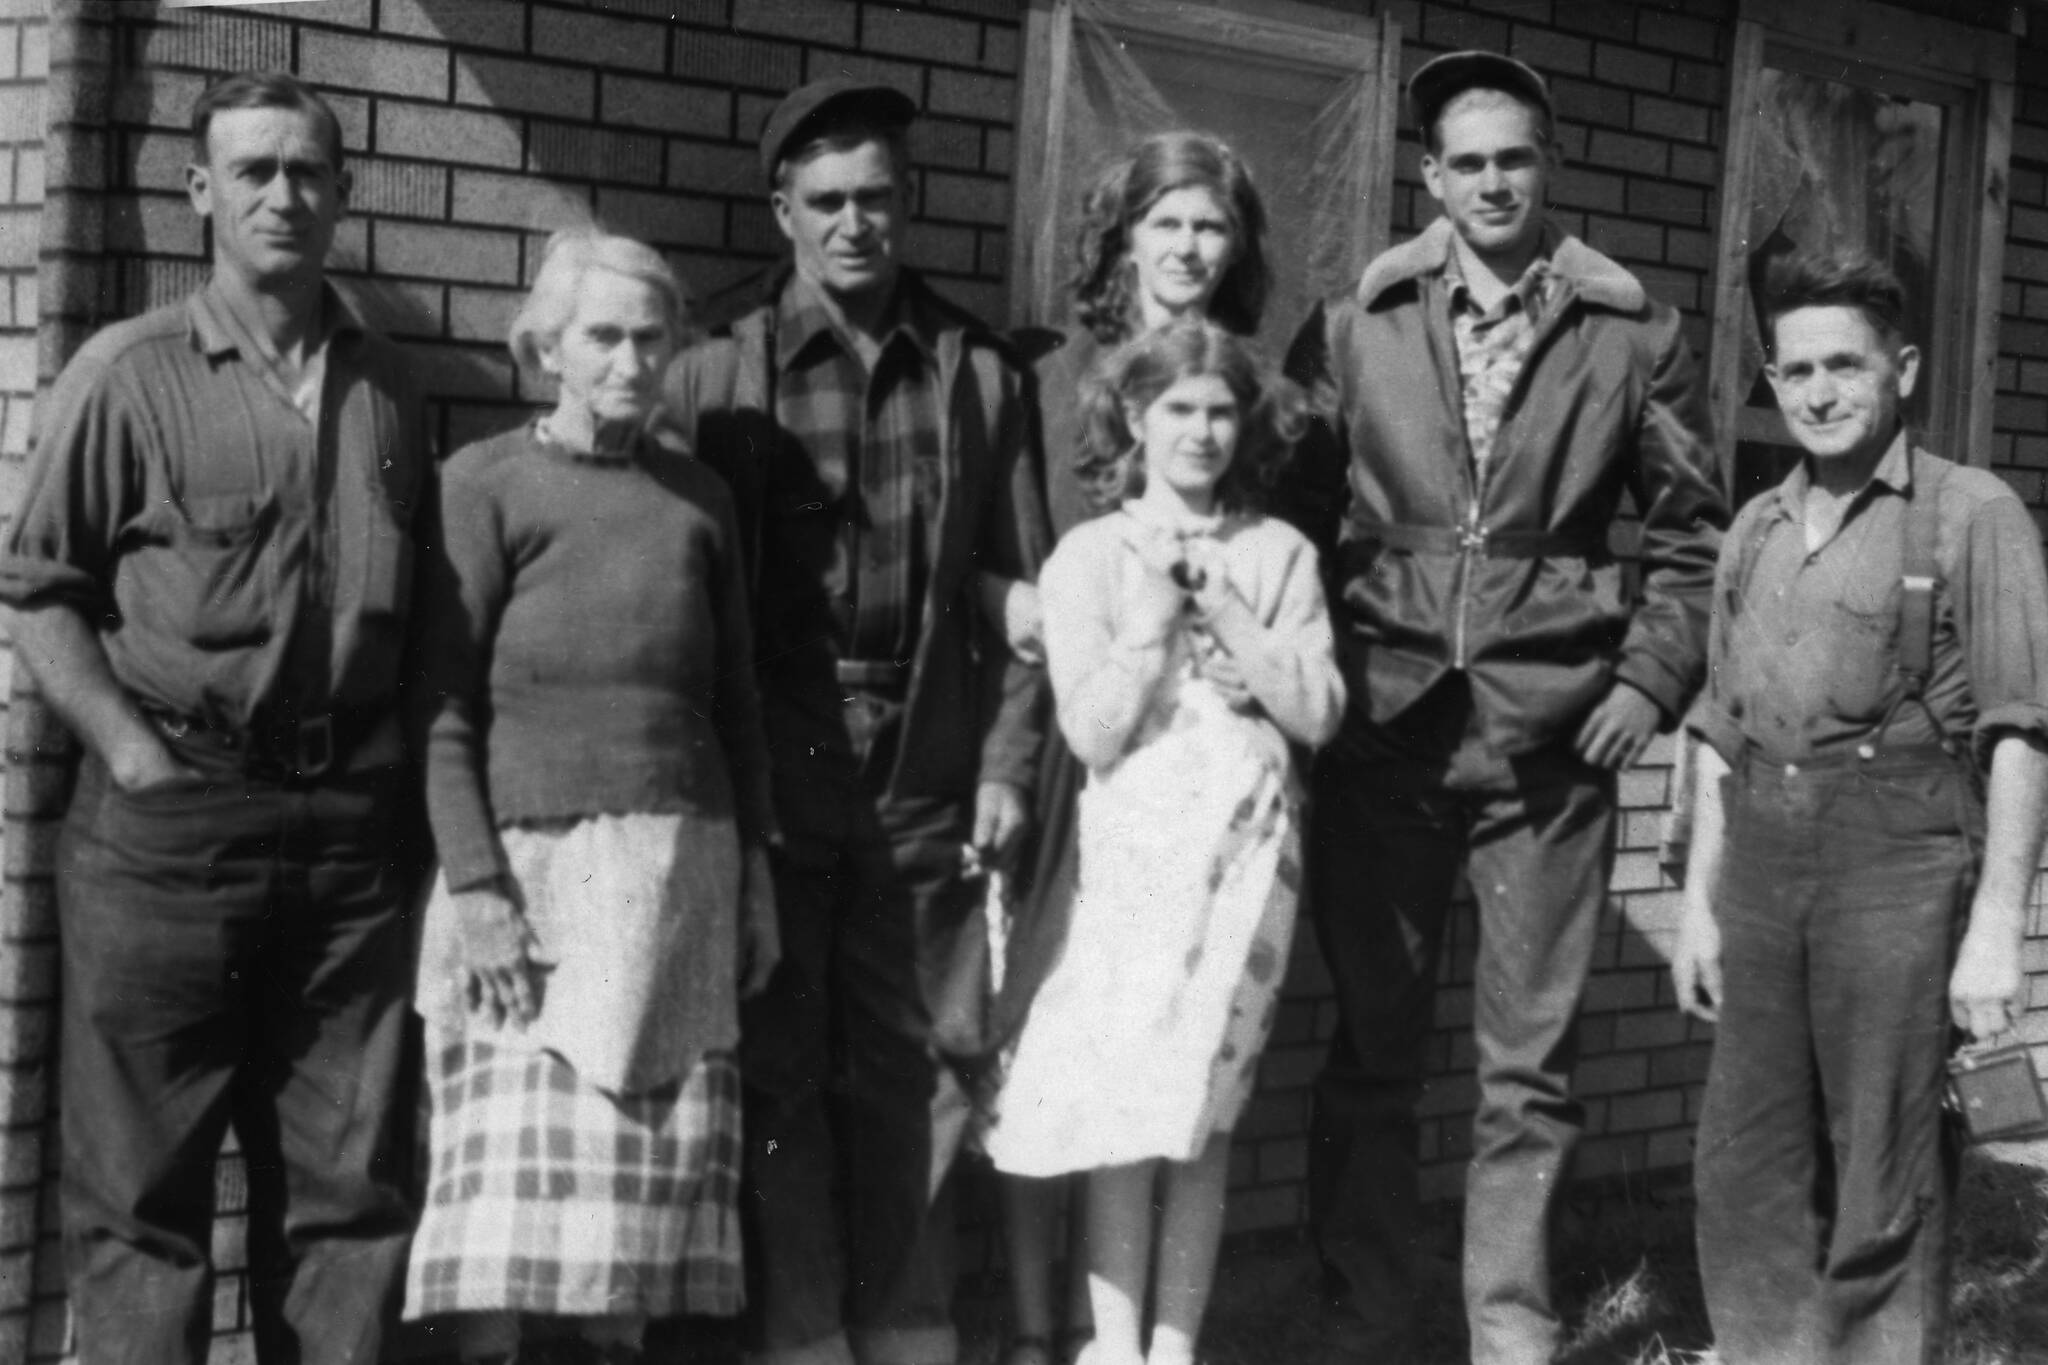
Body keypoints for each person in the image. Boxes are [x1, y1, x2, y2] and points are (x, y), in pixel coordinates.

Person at [1279, 50, 1728, 1365]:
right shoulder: (1358, 320)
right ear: (1430, 177)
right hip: (1386, 725)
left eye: (1514, 158)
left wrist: (1648, 680)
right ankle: (1366, 1308)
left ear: (1549, 167)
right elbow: (1295, 521)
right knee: (1372, 1042)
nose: (1492, 182)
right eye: (1467, 161)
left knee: (1525, 1071)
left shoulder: (1630, 329)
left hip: (1549, 740)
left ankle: (1509, 1328)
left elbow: (1696, 532)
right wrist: (1321, 691)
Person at [0, 72, 427, 1365]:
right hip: (170, 828)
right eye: (253, 172)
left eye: (307, 171)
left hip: (351, 842)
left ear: (344, 195)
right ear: (202, 194)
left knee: (349, 1199)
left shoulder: (390, 392)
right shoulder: (125, 375)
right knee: (143, 1198)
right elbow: (38, 591)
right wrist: (132, 753)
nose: (282, 196)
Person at [663, 78, 1050, 1365]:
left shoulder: (979, 372)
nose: (853, 224)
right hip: (777, 758)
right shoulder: (716, 371)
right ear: (782, 212)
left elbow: (1024, 594)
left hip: (923, 765)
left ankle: (909, 1328)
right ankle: (800, 1335)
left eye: (875, 198)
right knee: (776, 1067)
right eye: (825, 202)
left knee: (924, 1067)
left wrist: (1003, 762)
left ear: (910, 204)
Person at [401, 229, 779, 1365]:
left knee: (629, 1239)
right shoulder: (484, 485)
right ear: (546, 349)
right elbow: (441, 709)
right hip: (529, 882)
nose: (629, 361)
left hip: (674, 883)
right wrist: (477, 891)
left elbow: (739, 705)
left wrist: (754, 879)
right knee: (501, 1234)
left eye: (649, 338)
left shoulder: (697, 497)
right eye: (601, 337)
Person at [1672, 252, 2048, 1365]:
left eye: (1844, 364)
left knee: (1881, 1166)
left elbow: (2018, 731)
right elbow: (1714, 728)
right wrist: (1694, 901)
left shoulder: (1969, 516)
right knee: (1743, 1158)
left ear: (1902, 368)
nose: (1819, 391)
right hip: (1758, 858)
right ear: (1769, 382)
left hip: (1897, 859)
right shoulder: (1753, 530)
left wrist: (1994, 933)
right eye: (1794, 371)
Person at [986, 316, 1343, 1365]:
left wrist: (1232, 618)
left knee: (1201, 1103)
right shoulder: (1088, 554)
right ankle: (1110, 1343)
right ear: (1134, 419)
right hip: (1129, 863)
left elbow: (1317, 710)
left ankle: (1174, 1346)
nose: (1200, 431)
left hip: (1239, 860)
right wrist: (1147, 624)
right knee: (1120, 1100)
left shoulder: (1275, 552)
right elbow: (1091, 728)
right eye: (1178, 409)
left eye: (1221, 410)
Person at [980, 129, 1275, 1365]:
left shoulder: (1247, 392)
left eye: (1210, 226)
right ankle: (1035, 1319)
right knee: (1040, 1027)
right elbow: (1001, 568)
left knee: (1146, 1042)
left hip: (1192, 777)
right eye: (1165, 223)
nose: (1188, 250)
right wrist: (1004, 744)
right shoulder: (1048, 378)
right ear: (1119, 237)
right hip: (1063, 738)